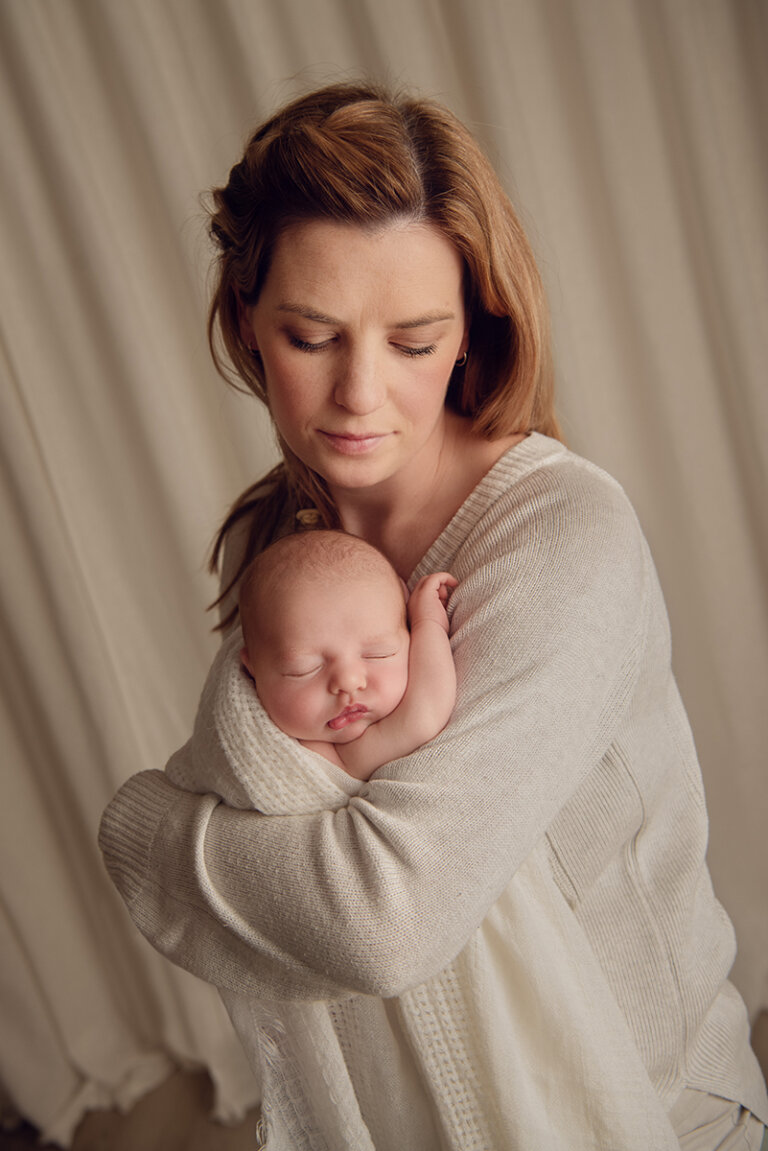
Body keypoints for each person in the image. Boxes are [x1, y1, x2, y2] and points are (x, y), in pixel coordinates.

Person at [98, 81, 768, 1150]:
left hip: (662, 1113)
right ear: (247, 327)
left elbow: (380, 915)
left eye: (413, 340)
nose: (361, 393)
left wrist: (142, 836)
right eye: (313, 335)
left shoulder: (561, 536)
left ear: (473, 333)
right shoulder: (292, 554)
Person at [236, 529, 457, 780]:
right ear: (252, 669)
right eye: (305, 669)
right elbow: (425, 713)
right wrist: (428, 623)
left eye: (378, 654)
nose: (349, 682)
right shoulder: (314, 760)